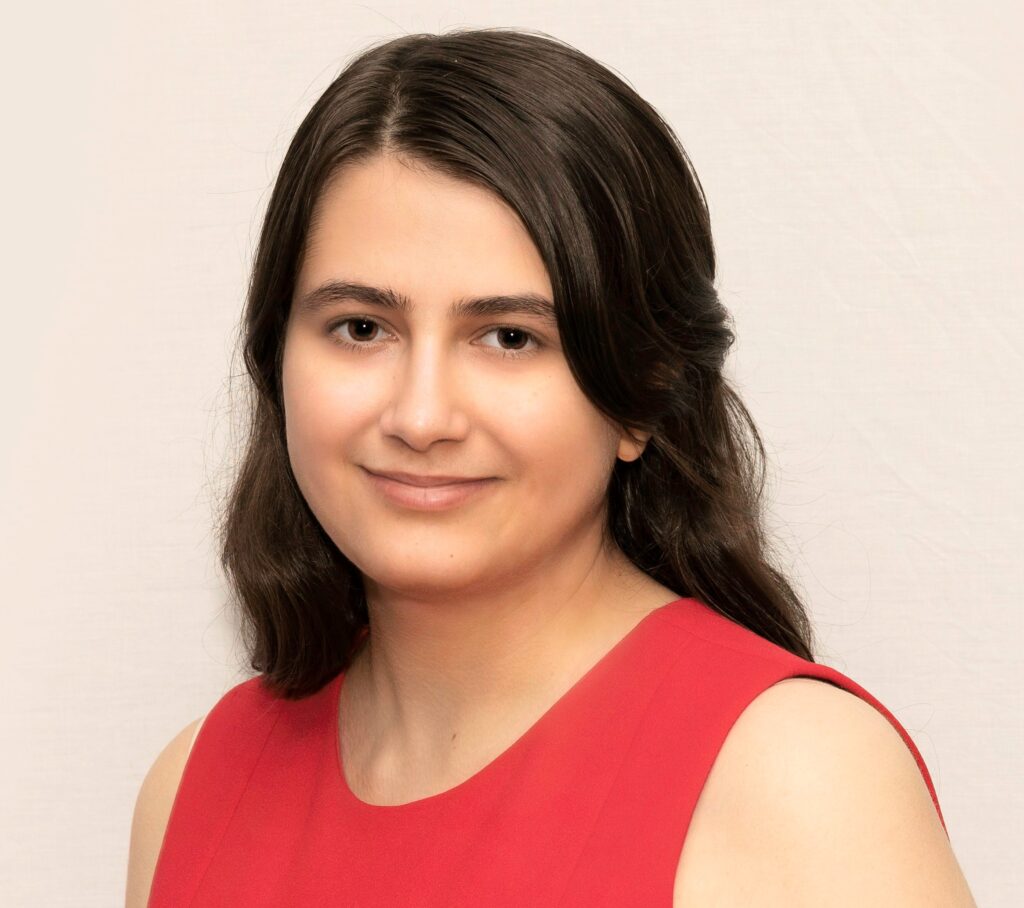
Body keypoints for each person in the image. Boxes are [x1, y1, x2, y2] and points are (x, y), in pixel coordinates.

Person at [126, 27, 976, 906]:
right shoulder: (194, 786)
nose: (421, 417)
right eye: (361, 327)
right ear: (276, 362)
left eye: (509, 338)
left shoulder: (798, 781)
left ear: (640, 394)